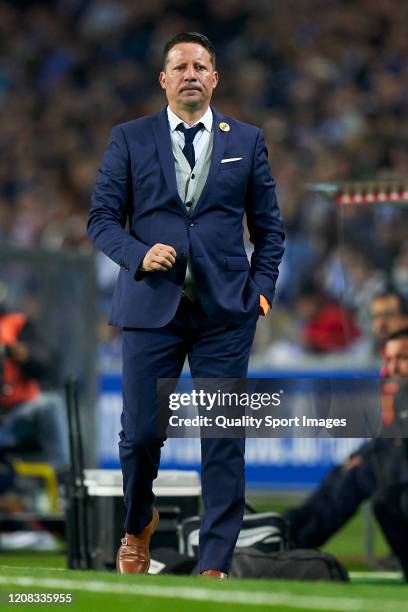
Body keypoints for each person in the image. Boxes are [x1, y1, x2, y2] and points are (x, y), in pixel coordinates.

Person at [88, 32, 285, 577]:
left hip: (226, 315)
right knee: (142, 436)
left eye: (201, 65)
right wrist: (136, 252)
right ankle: (137, 523)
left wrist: (262, 291)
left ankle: (215, 561)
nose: (191, 73)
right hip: (151, 310)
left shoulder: (247, 137)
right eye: (181, 66)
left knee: (223, 436)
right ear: (164, 79)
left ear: (215, 78)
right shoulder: (128, 138)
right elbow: (101, 219)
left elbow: (270, 230)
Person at [285, 291, 408, 549]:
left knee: (357, 476)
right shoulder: (391, 368)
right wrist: (364, 454)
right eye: (375, 317)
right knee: (344, 469)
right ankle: (291, 528)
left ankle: (298, 542)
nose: (381, 323)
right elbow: (392, 430)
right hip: (395, 453)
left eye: (388, 315)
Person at [0, 282, 68, 470]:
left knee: (50, 404)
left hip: (16, 413)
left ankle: (63, 477)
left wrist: (23, 355)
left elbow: (45, 360)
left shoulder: (19, 325)